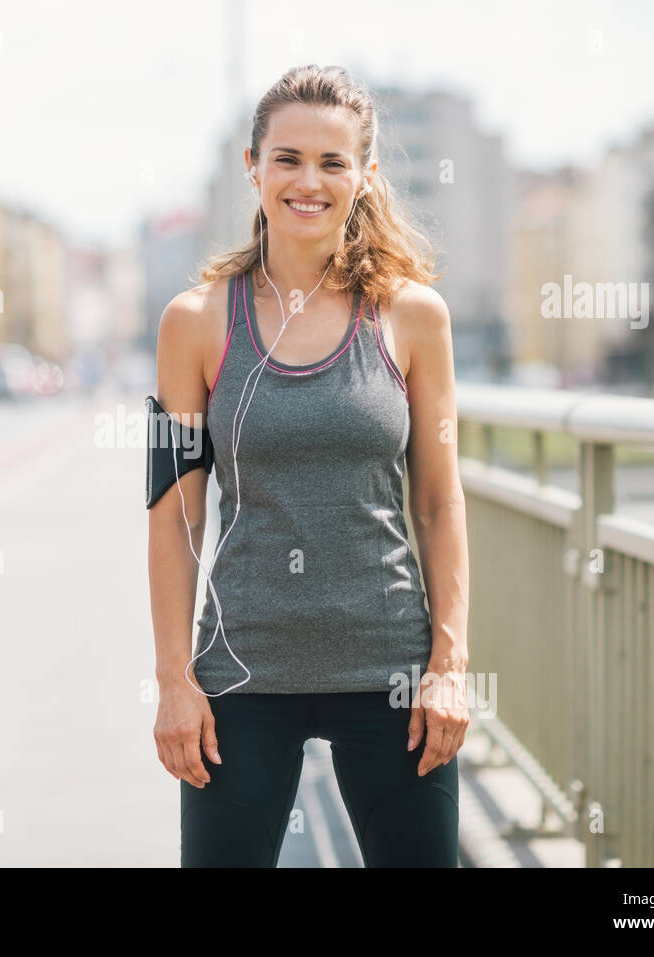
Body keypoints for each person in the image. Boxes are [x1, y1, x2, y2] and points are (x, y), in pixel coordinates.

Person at [146, 64, 470, 867]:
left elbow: (438, 501)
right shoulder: (193, 322)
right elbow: (174, 515)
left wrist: (449, 667)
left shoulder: (414, 316)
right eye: (287, 158)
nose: (308, 181)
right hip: (243, 675)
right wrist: (174, 681)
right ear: (253, 167)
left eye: (332, 162)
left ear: (362, 177)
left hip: (390, 672)